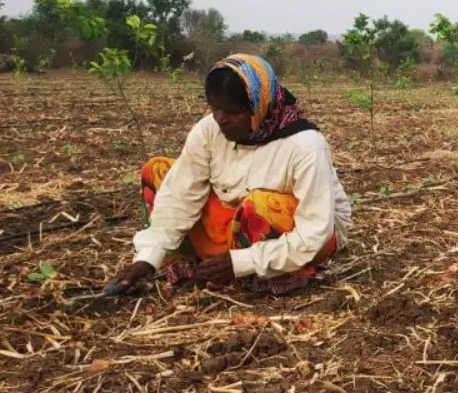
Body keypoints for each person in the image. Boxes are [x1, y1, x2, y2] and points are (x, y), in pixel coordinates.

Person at [108, 54, 352, 296]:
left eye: (233, 112)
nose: (221, 120)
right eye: (215, 109)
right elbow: (179, 197)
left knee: (259, 206)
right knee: (158, 172)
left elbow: (314, 232)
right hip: (234, 219)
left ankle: (255, 274)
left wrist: (242, 263)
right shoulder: (209, 130)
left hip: (299, 236)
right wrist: (148, 258)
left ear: (260, 106)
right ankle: (203, 268)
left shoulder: (305, 146)